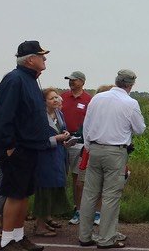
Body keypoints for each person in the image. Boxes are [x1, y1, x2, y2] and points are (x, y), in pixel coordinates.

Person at [0, 40, 53, 251]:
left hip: (32, 147)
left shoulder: (31, 80)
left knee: (24, 193)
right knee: (15, 194)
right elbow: (2, 117)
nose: (45, 59)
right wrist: (9, 146)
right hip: (18, 148)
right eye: (41, 55)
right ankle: (6, 240)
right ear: (30, 59)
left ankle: (18, 236)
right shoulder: (14, 80)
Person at [78, 69, 146, 249]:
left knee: (90, 193)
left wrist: (88, 146)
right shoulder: (130, 103)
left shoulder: (97, 98)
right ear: (130, 85)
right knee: (111, 196)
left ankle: (84, 235)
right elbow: (140, 129)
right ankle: (106, 238)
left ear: (116, 81)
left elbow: (87, 125)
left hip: (94, 148)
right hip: (115, 151)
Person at [32, 88, 73, 237]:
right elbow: (36, 139)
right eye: (51, 98)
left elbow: (63, 129)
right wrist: (57, 139)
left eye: (57, 97)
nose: (56, 100)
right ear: (44, 102)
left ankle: (46, 219)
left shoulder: (59, 114)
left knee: (53, 188)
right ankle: (39, 225)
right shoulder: (39, 117)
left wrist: (66, 134)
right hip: (44, 158)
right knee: (44, 189)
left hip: (58, 156)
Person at [61, 70, 93, 226]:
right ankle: (56, 208)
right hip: (60, 141)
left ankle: (78, 209)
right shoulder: (62, 97)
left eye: (74, 80)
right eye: (69, 79)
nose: (71, 82)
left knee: (77, 178)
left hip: (78, 142)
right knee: (59, 176)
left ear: (82, 81)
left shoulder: (88, 99)